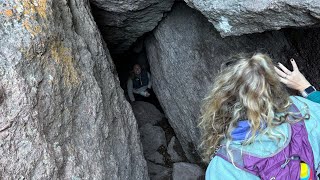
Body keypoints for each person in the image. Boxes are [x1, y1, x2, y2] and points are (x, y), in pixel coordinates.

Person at [200, 53, 320, 180]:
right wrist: (306, 88)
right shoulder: (302, 109)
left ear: (221, 99)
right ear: (274, 87)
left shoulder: (224, 167)